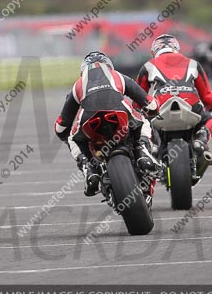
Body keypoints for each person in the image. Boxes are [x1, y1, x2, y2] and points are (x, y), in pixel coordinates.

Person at [54, 51, 159, 197]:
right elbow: (151, 104)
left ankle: (89, 169)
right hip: (120, 112)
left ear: (83, 70)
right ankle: (142, 151)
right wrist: (152, 110)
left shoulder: (77, 85)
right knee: (144, 121)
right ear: (109, 66)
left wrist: (65, 136)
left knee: (72, 139)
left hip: (89, 120)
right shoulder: (119, 76)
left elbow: (60, 126)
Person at [136, 34, 212, 167]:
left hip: (160, 108)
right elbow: (208, 97)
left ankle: (153, 145)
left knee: (144, 123)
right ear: (177, 48)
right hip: (190, 106)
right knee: (210, 120)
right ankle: (201, 139)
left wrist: (139, 111)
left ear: (154, 51)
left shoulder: (148, 65)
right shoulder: (193, 63)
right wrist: (208, 108)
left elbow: (138, 97)